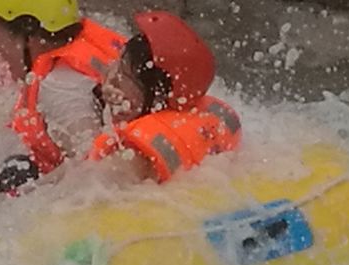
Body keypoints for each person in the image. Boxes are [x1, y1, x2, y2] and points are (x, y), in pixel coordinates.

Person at [0, 0, 128, 196]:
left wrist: (27, 193)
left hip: (112, 194)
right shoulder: (85, 49)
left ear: (28, 37)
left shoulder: (60, 87)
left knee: (13, 176)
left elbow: (93, 169)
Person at [87, 11, 243, 183]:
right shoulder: (204, 114)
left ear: (158, 98)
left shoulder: (134, 160)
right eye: (117, 65)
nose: (112, 79)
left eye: (125, 76)